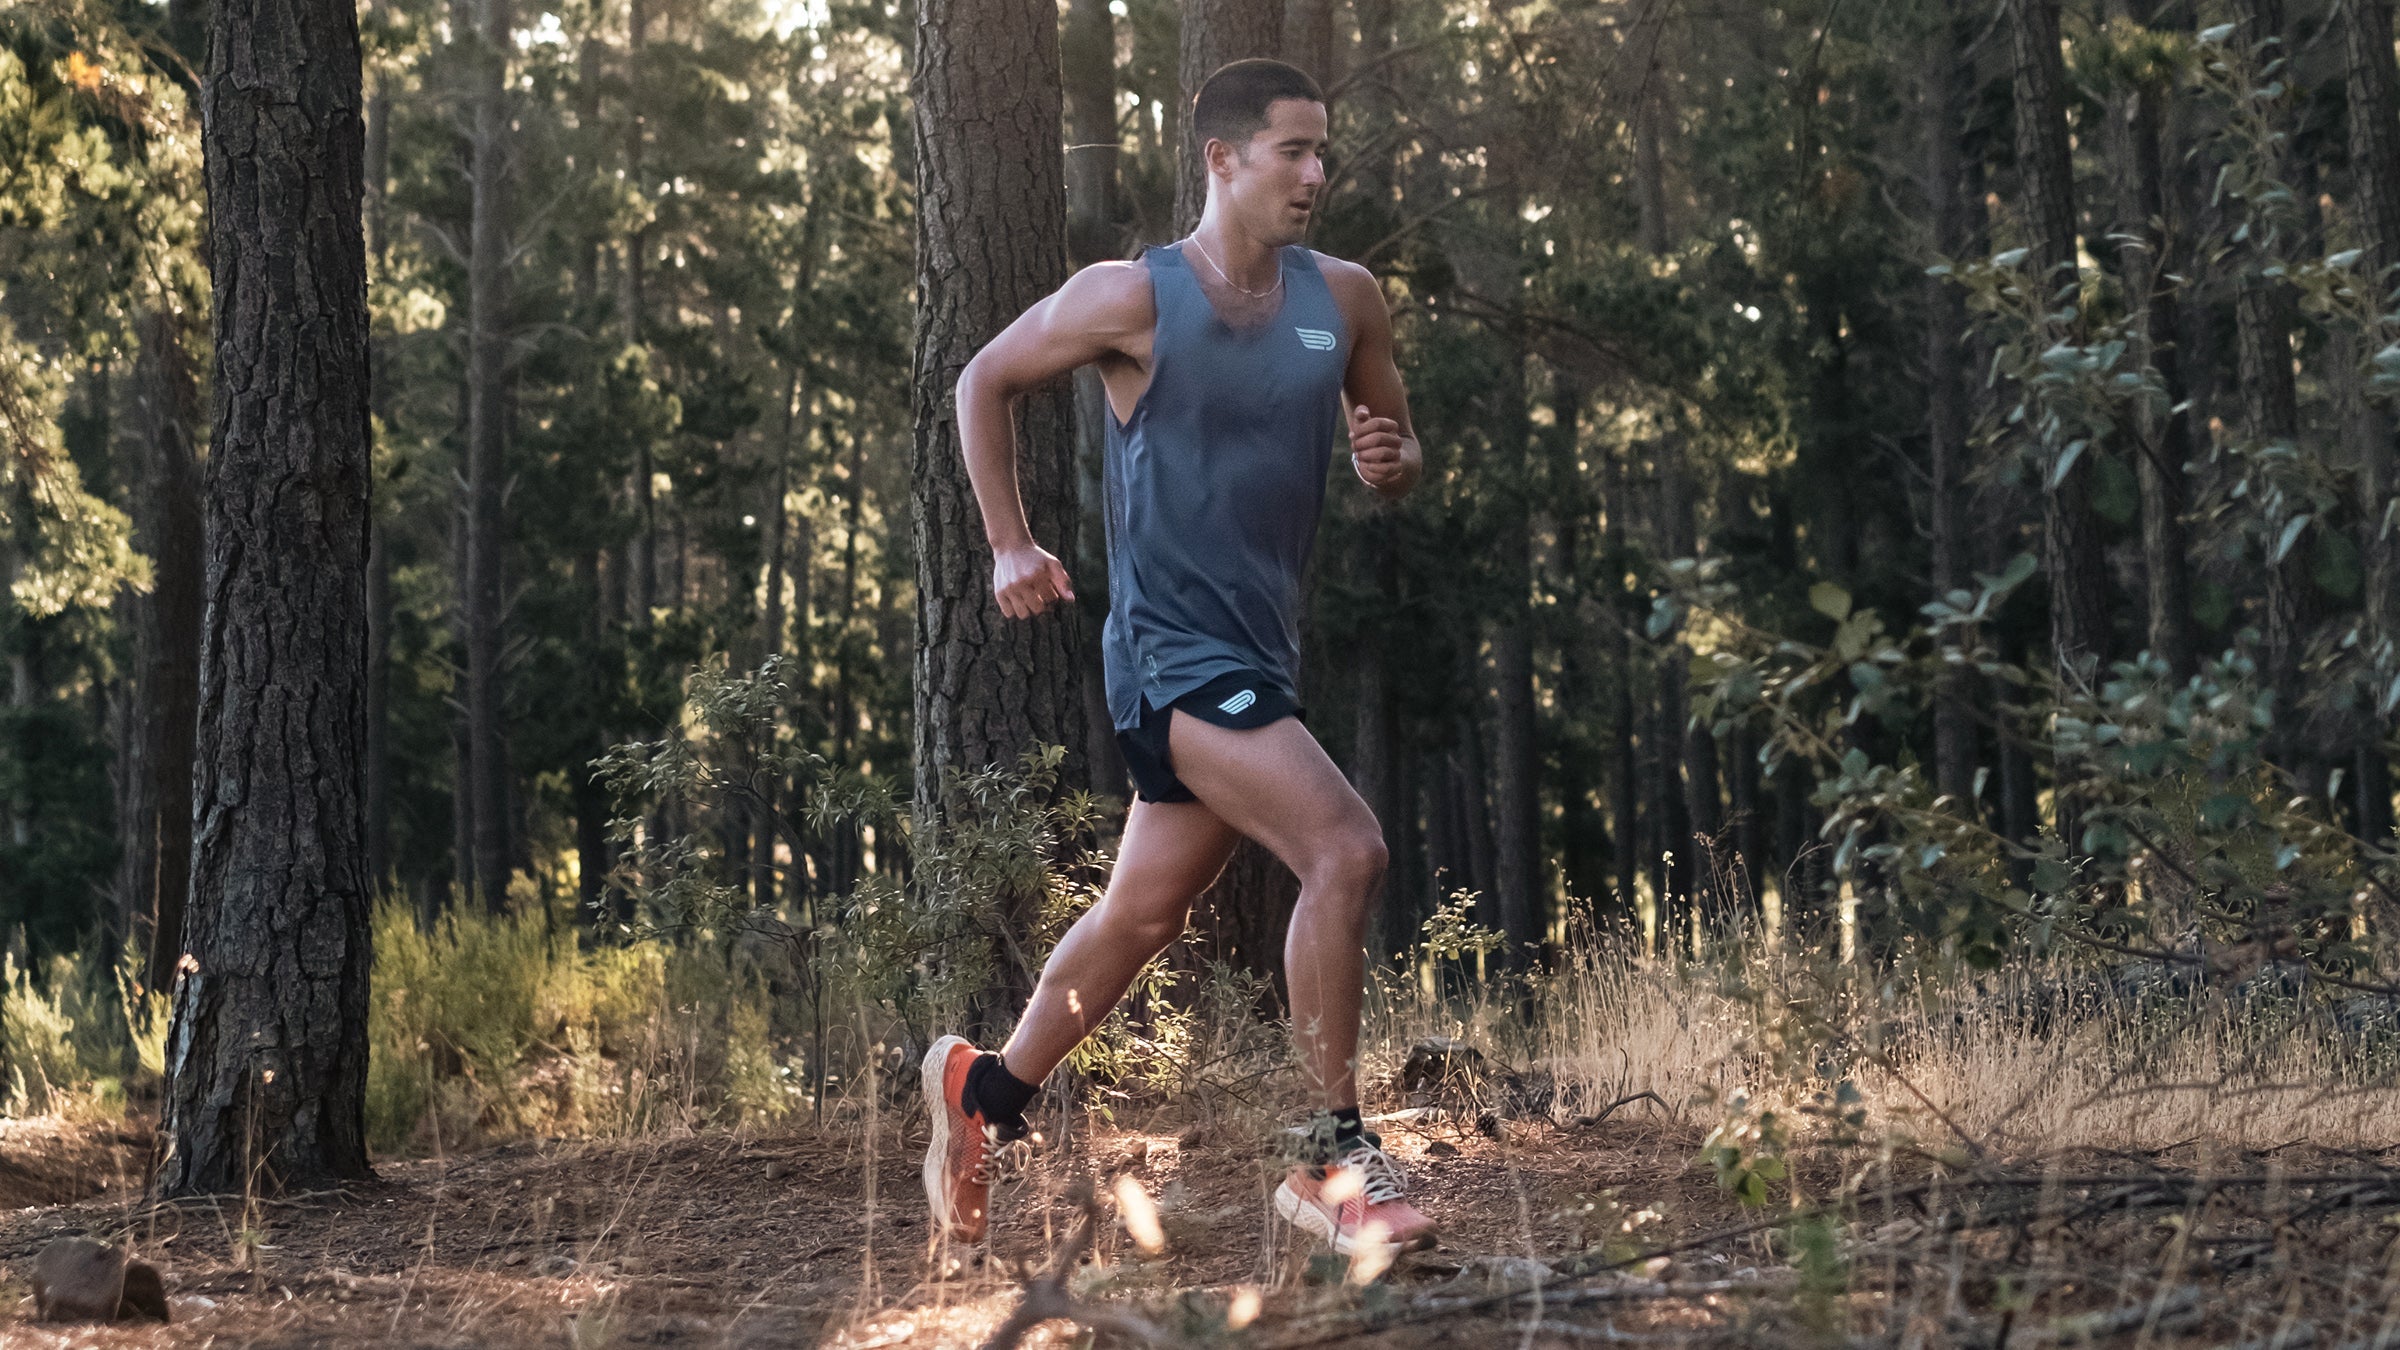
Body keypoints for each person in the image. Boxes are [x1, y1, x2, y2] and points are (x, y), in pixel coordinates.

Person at [919, 57, 1432, 1258]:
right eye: (1291, 152)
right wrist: (1008, 543)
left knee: (1141, 914)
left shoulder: (1344, 298)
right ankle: (1330, 1165)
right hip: (1168, 655)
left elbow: (1394, 445)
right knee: (1346, 849)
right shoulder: (1134, 298)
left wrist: (1389, 461)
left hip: (1258, 653)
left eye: (1324, 155)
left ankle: (982, 1097)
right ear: (1221, 158)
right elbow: (981, 378)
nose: (1315, 176)